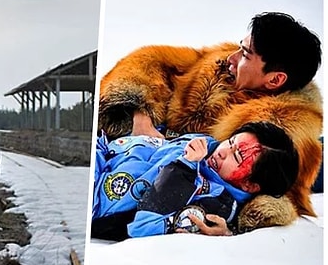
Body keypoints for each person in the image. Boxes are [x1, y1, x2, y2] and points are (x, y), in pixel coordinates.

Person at [96, 12, 322, 233]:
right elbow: (149, 61)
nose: (231, 58)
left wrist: (231, 227)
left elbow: (273, 202)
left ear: (275, 79)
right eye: (240, 47)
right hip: (123, 152)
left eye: (245, 54)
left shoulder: (284, 135)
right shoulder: (217, 63)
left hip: (137, 198)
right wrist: (140, 115)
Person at [91, 121, 299, 241]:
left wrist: (185, 167)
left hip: (97, 195)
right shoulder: (207, 146)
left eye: (236, 157)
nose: (223, 151)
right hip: (105, 150)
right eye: (231, 142)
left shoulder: (215, 203)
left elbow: (143, 226)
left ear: (249, 185)